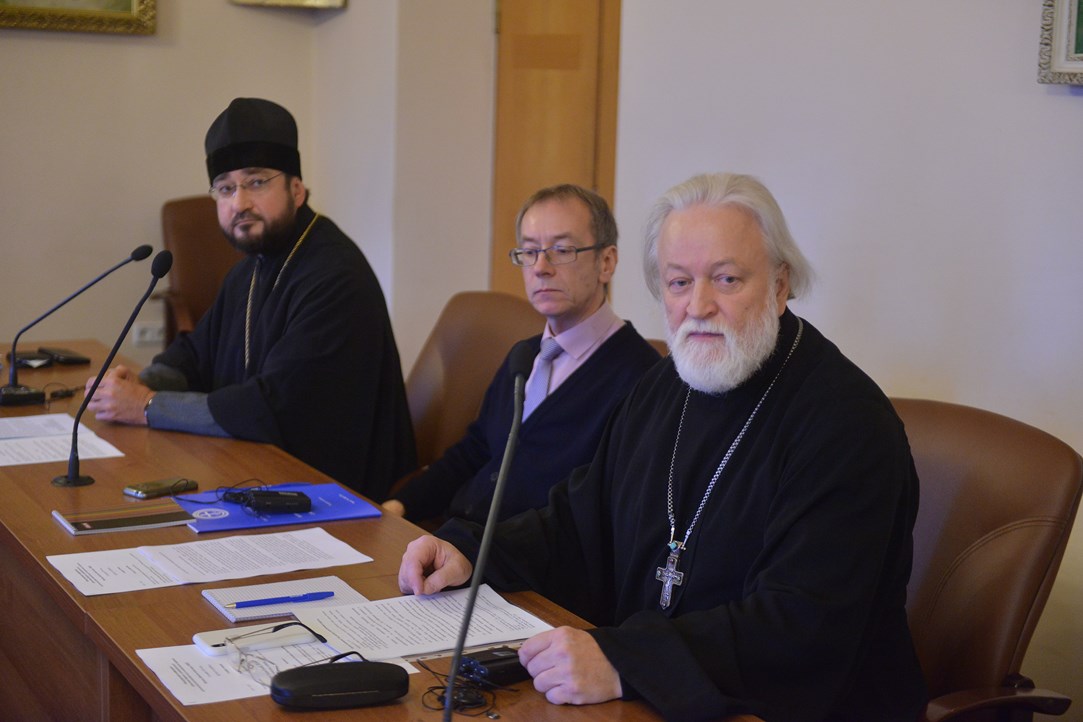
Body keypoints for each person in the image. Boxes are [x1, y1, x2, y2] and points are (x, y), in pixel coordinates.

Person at [397, 173, 927, 721]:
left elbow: (802, 623)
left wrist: (627, 661)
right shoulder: (663, 388)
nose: (698, 306)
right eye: (678, 282)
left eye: (726, 279)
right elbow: (578, 522)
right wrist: (473, 551)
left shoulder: (846, 422)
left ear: (779, 284)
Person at [86, 97, 416, 501]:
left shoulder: (335, 277)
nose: (239, 203)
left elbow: (273, 407)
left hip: (333, 494)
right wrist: (136, 384)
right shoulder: (249, 270)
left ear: (296, 189)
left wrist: (146, 405)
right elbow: (194, 356)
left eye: (257, 182)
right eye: (226, 189)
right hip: (254, 473)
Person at [383, 184, 660, 524]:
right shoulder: (525, 355)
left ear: (606, 262)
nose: (541, 267)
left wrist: (468, 546)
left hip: (511, 555)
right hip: (456, 538)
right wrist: (400, 506)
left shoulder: (642, 380)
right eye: (529, 252)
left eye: (561, 250)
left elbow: (596, 516)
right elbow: (476, 450)